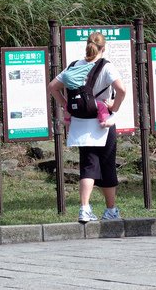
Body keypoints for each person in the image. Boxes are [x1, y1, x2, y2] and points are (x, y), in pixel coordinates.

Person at [49, 32, 126, 223]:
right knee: (108, 165)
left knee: (88, 166)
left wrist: (66, 107)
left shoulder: (75, 65)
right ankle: (111, 210)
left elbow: (53, 86)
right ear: (103, 48)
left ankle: (84, 209)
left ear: (88, 46)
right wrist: (113, 108)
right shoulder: (106, 66)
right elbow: (122, 90)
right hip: (103, 123)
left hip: (81, 123)